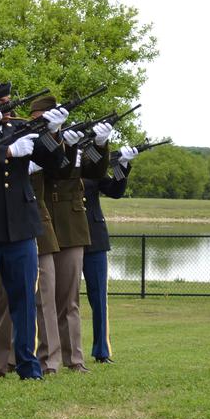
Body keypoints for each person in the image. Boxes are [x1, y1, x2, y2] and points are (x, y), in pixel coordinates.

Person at [0, 82, 68, 380]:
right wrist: (6, 151)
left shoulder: (20, 128)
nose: (7, 110)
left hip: (21, 227)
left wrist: (54, 133)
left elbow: (55, 162)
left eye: (9, 103)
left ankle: (27, 365)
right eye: (0, 104)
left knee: (24, 301)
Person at [41, 97, 112, 373]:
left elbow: (96, 171)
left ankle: (75, 359)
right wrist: (61, 144)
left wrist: (100, 145)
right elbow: (51, 166)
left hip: (71, 225)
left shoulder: (72, 143)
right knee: (43, 298)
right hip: (44, 221)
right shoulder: (38, 142)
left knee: (69, 298)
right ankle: (48, 360)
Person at [83, 145, 137, 363]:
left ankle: (101, 351)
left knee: (99, 299)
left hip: (94, 238)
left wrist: (121, 165)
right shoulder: (62, 162)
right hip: (65, 238)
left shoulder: (93, 166)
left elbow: (116, 191)